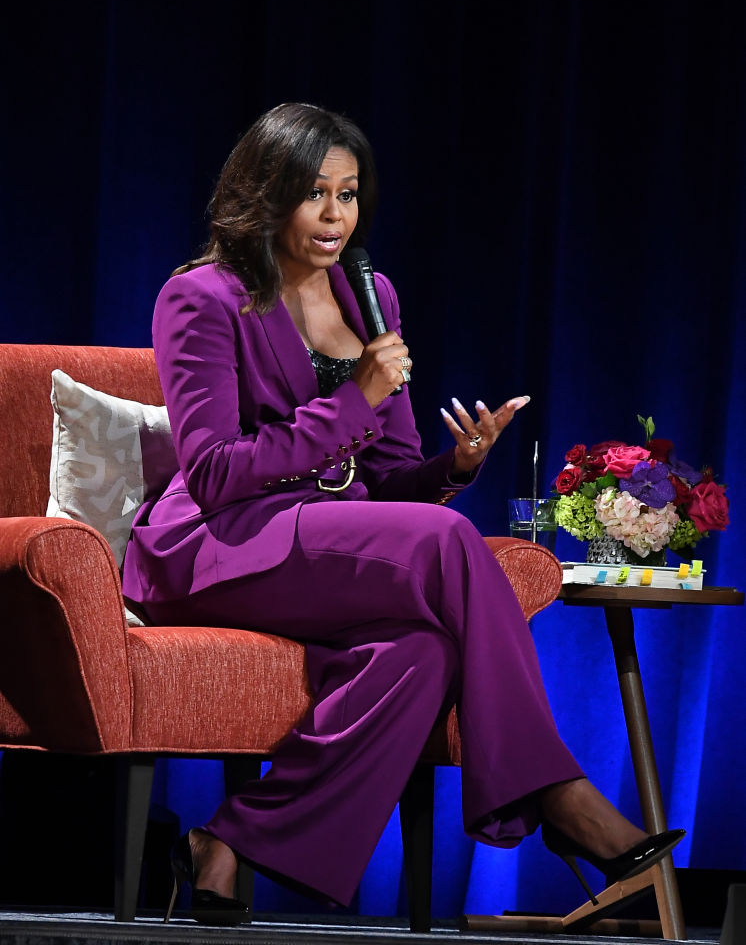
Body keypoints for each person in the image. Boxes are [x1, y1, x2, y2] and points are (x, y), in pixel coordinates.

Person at [121, 102, 683, 925]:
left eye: (349, 195)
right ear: (266, 192)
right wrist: (355, 400)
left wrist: (453, 468)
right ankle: (557, 794)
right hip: (217, 545)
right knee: (457, 546)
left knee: (419, 654)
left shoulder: (370, 292)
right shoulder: (204, 296)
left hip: (319, 543)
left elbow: (383, 481)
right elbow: (212, 474)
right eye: (314, 192)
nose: (334, 216)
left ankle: (226, 844)